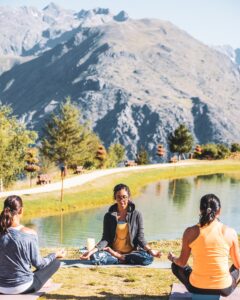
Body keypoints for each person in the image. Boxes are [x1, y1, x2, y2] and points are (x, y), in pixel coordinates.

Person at [168, 194, 240, 297]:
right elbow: (238, 265)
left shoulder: (189, 232)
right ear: (219, 211)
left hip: (196, 287)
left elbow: (182, 262)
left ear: (200, 210)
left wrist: (173, 258)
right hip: (224, 289)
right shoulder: (230, 232)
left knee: (176, 265)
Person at [81, 183, 161, 265]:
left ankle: (121, 258)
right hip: (113, 251)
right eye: (118, 197)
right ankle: (121, 258)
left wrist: (151, 250)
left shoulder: (137, 215)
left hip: (132, 253)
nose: (121, 200)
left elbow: (140, 237)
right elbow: (105, 238)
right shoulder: (109, 216)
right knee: (95, 257)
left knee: (148, 258)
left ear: (129, 197)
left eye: (124, 197)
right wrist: (92, 251)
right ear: (115, 198)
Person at [0, 195, 65, 295]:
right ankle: (43, 281)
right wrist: (54, 255)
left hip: (1, 288)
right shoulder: (29, 233)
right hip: (24, 287)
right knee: (55, 262)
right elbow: (39, 264)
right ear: (21, 210)